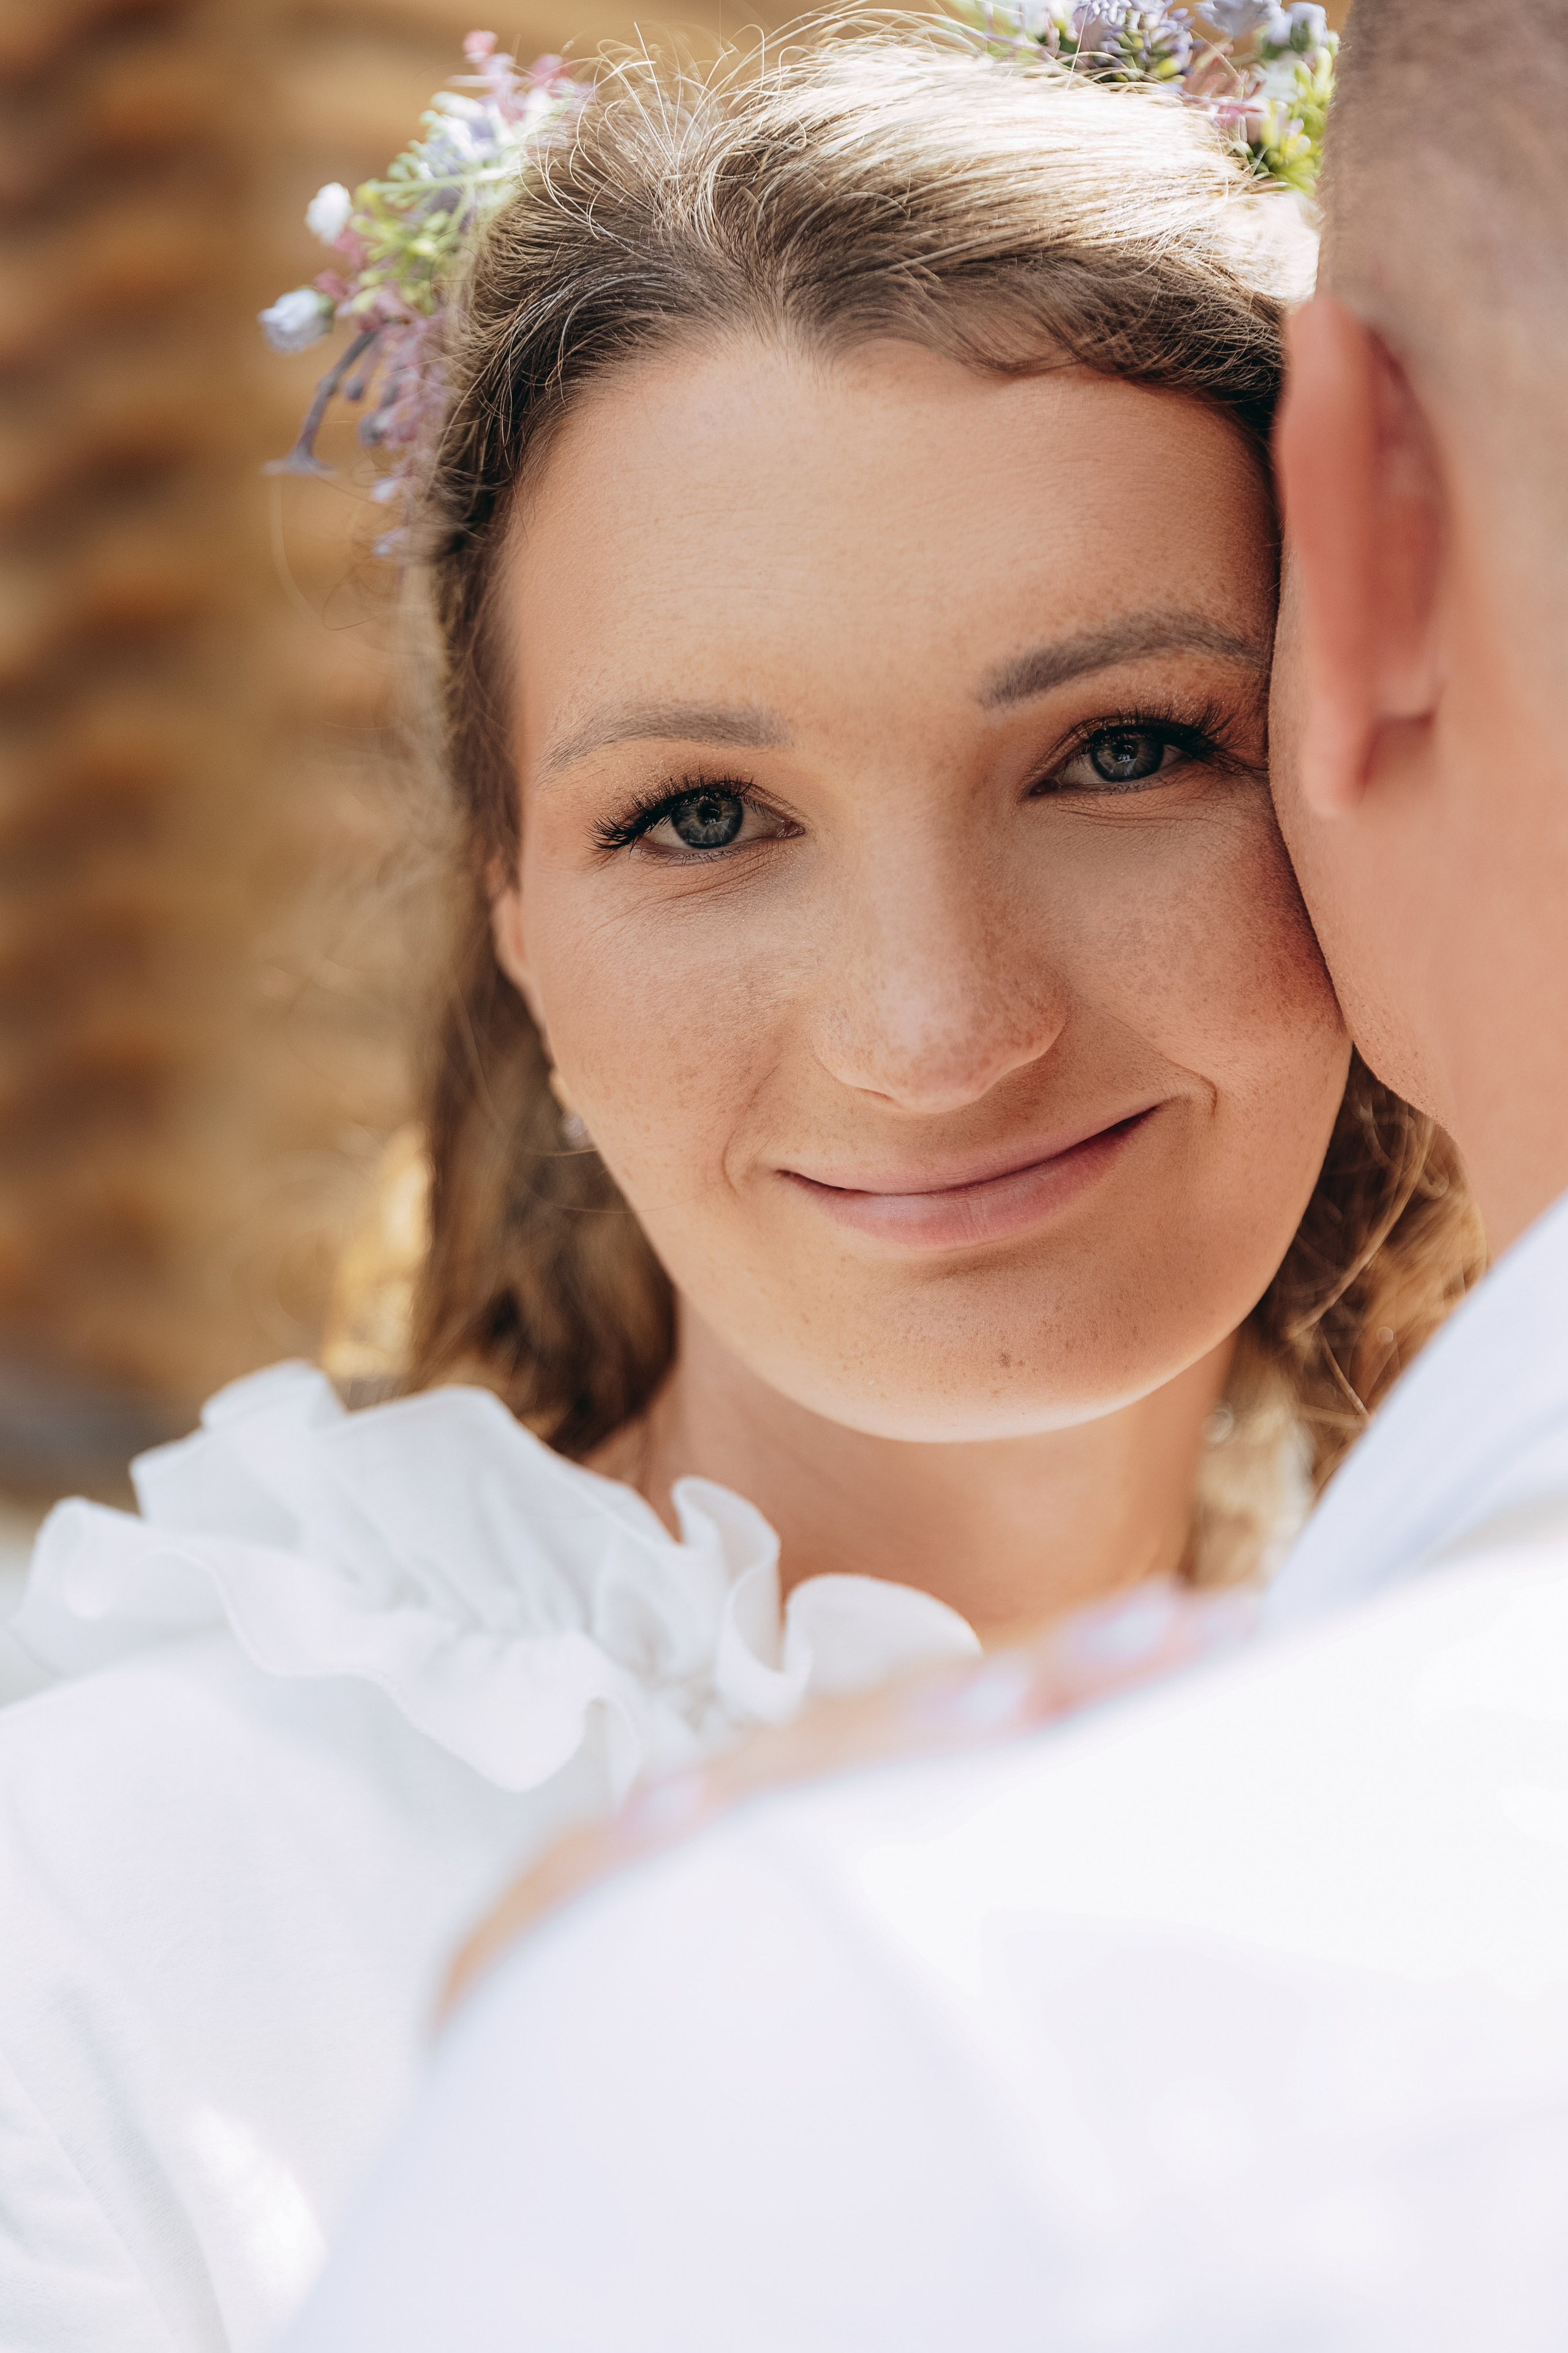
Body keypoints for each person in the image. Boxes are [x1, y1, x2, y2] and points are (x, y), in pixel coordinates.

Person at [0, 15, 1474, 2352]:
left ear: (1365, 742)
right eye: (700, 814)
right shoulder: (104, 1894)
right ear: (511, 903)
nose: (935, 1026)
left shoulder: (1477, 1744)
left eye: (1118, 749)